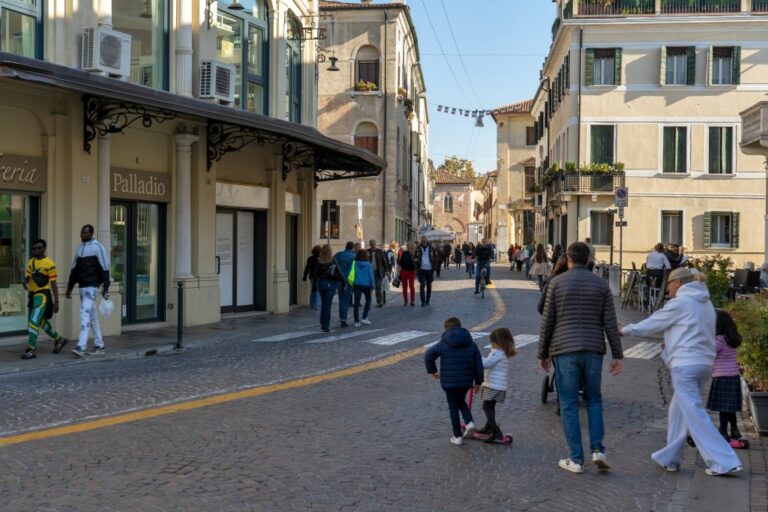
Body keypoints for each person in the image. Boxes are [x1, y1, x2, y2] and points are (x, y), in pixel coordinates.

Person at [620, 267, 742, 476]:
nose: (667, 288)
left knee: (694, 413)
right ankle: (670, 458)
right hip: (703, 363)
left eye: (669, 284)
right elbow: (694, 331)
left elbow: (653, 324)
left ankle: (724, 460)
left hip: (685, 364)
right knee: (678, 411)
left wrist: (625, 329)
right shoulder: (706, 304)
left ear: (678, 283)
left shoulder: (680, 303)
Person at [538, 242, 623, 474]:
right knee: (594, 399)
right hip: (594, 349)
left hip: (565, 349)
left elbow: (547, 322)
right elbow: (610, 322)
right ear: (588, 260)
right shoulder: (601, 285)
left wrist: (542, 354)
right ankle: (598, 450)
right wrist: (618, 354)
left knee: (568, 404)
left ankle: (576, 459)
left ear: (568, 259)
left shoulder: (556, 283)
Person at [424, 317, 484, 446]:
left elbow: (428, 355)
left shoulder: (443, 343)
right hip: (466, 381)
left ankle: (457, 436)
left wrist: (433, 371)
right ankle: (469, 422)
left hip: (449, 382)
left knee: (453, 407)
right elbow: (478, 364)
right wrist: (479, 382)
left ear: (446, 329)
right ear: (461, 327)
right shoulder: (471, 344)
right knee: (461, 401)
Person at [66, 224, 110, 357]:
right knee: (92, 316)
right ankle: (99, 345)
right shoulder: (79, 249)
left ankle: (81, 346)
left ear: (91, 233)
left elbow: (105, 268)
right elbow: (74, 270)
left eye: (85, 233)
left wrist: (106, 288)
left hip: (93, 286)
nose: (82, 235)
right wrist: (69, 288)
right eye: (81, 233)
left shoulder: (98, 248)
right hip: (82, 287)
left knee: (84, 312)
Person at [708, 310, 749, 449]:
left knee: (723, 409)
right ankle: (735, 430)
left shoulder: (719, 340)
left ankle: (723, 432)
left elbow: (709, 352)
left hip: (722, 377)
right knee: (729, 408)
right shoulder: (730, 338)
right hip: (733, 376)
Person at [21, 239, 67, 359]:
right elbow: (27, 279)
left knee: (33, 321)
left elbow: (54, 284)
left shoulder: (49, 263)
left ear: (44, 248)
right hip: (33, 295)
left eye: (39, 248)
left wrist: (57, 301)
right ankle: (59, 339)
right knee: (40, 322)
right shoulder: (30, 262)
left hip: (42, 296)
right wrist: (25, 283)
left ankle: (31, 349)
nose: (36, 250)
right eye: (34, 248)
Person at [478, 327, 516, 442]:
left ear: (497, 342)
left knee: (486, 407)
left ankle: (495, 432)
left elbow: (487, 364)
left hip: (493, 386)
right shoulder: (502, 352)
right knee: (490, 407)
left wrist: (477, 357)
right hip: (498, 386)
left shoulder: (498, 353)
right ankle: (488, 427)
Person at [316, 245, 342, 333]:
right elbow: (339, 272)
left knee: (324, 304)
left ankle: (323, 323)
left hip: (321, 284)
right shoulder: (333, 261)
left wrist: (314, 286)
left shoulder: (318, 261)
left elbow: (315, 275)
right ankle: (325, 325)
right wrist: (344, 282)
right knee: (327, 305)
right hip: (330, 284)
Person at [350, 249, 375, 327]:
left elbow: (351, 273)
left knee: (356, 303)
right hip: (366, 285)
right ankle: (364, 317)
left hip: (357, 284)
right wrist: (373, 286)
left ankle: (356, 321)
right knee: (368, 300)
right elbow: (371, 277)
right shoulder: (368, 264)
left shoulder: (354, 263)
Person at [334, 242, 356, 327]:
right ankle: (343, 319)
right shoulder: (353, 256)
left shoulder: (338, 254)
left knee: (341, 299)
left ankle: (342, 318)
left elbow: (333, 262)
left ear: (345, 246)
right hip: (348, 281)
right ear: (352, 247)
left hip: (339, 280)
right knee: (346, 300)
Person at [367, 240, 391, 308]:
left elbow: (384, 262)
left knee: (378, 287)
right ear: (369, 244)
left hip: (378, 272)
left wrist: (387, 271)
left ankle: (379, 302)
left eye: (373, 244)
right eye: (371, 244)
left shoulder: (380, 251)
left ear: (375, 244)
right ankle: (368, 303)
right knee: (369, 288)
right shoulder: (367, 251)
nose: (372, 245)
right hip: (369, 273)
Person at [414, 236, 437, 306]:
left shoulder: (432, 249)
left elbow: (436, 258)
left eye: (424, 241)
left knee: (429, 285)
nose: (423, 242)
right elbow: (414, 257)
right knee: (422, 285)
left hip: (430, 269)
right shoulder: (418, 249)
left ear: (427, 241)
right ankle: (423, 301)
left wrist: (434, 268)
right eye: (422, 241)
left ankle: (428, 299)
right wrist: (417, 266)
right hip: (421, 269)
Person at [397, 242, 417, 306]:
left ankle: (412, 301)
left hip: (411, 271)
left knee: (411, 286)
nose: (408, 247)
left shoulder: (414, 254)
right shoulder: (404, 253)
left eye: (409, 246)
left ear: (412, 247)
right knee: (404, 286)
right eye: (407, 246)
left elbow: (417, 262)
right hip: (404, 271)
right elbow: (400, 262)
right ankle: (405, 301)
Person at [302, 245, 321, 310]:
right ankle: (317, 305)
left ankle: (312, 304)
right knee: (318, 291)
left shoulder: (310, 258)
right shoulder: (321, 258)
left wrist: (304, 276)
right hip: (319, 277)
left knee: (313, 290)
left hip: (312, 277)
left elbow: (307, 268)